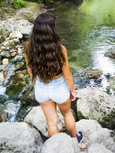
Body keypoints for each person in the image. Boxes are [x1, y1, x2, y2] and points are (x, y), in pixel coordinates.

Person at [24, 13, 83, 142]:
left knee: (51, 123)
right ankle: (74, 139)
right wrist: (72, 90)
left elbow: (29, 69)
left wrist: (36, 83)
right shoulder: (60, 49)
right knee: (67, 114)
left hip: (41, 88)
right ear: (51, 30)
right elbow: (67, 75)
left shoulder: (29, 47)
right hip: (59, 89)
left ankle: (57, 147)